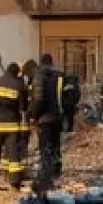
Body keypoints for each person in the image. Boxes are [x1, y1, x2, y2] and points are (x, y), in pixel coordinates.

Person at [0, 61, 28, 189]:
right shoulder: (19, 85)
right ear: (16, 73)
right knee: (13, 153)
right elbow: (23, 107)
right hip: (12, 125)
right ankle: (14, 181)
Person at [29, 53, 66, 195]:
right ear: (51, 62)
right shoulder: (59, 76)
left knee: (45, 149)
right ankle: (56, 171)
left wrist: (34, 116)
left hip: (44, 119)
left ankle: (45, 177)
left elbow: (38, 100)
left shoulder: (38, 76)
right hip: (57, 117)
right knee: (56, 146)